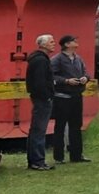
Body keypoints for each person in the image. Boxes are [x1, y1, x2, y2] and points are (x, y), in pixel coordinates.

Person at [51, 34, 91, 164]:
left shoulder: (78, 59)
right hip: (62, 98)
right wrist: (66, 81)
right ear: (67, 44)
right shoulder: (57, 59)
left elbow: (85, 72)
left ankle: (76, 155)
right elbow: (52, 76)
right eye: (74, 41)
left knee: (76, 126)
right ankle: (59, 156)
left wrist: (85, 78)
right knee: (60, 126)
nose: (76, 43)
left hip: (76, 96)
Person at [25, 34, 57, 170]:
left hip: (40, 98)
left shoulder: (38, 59)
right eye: (51, 42)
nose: (54, 44)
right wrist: (47, 96)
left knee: (36, 130)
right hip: (42, 99)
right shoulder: (40, 61)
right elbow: (39, 82)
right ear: (43, 45)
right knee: (39, 130)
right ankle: (38, 161)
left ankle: (35, 160)